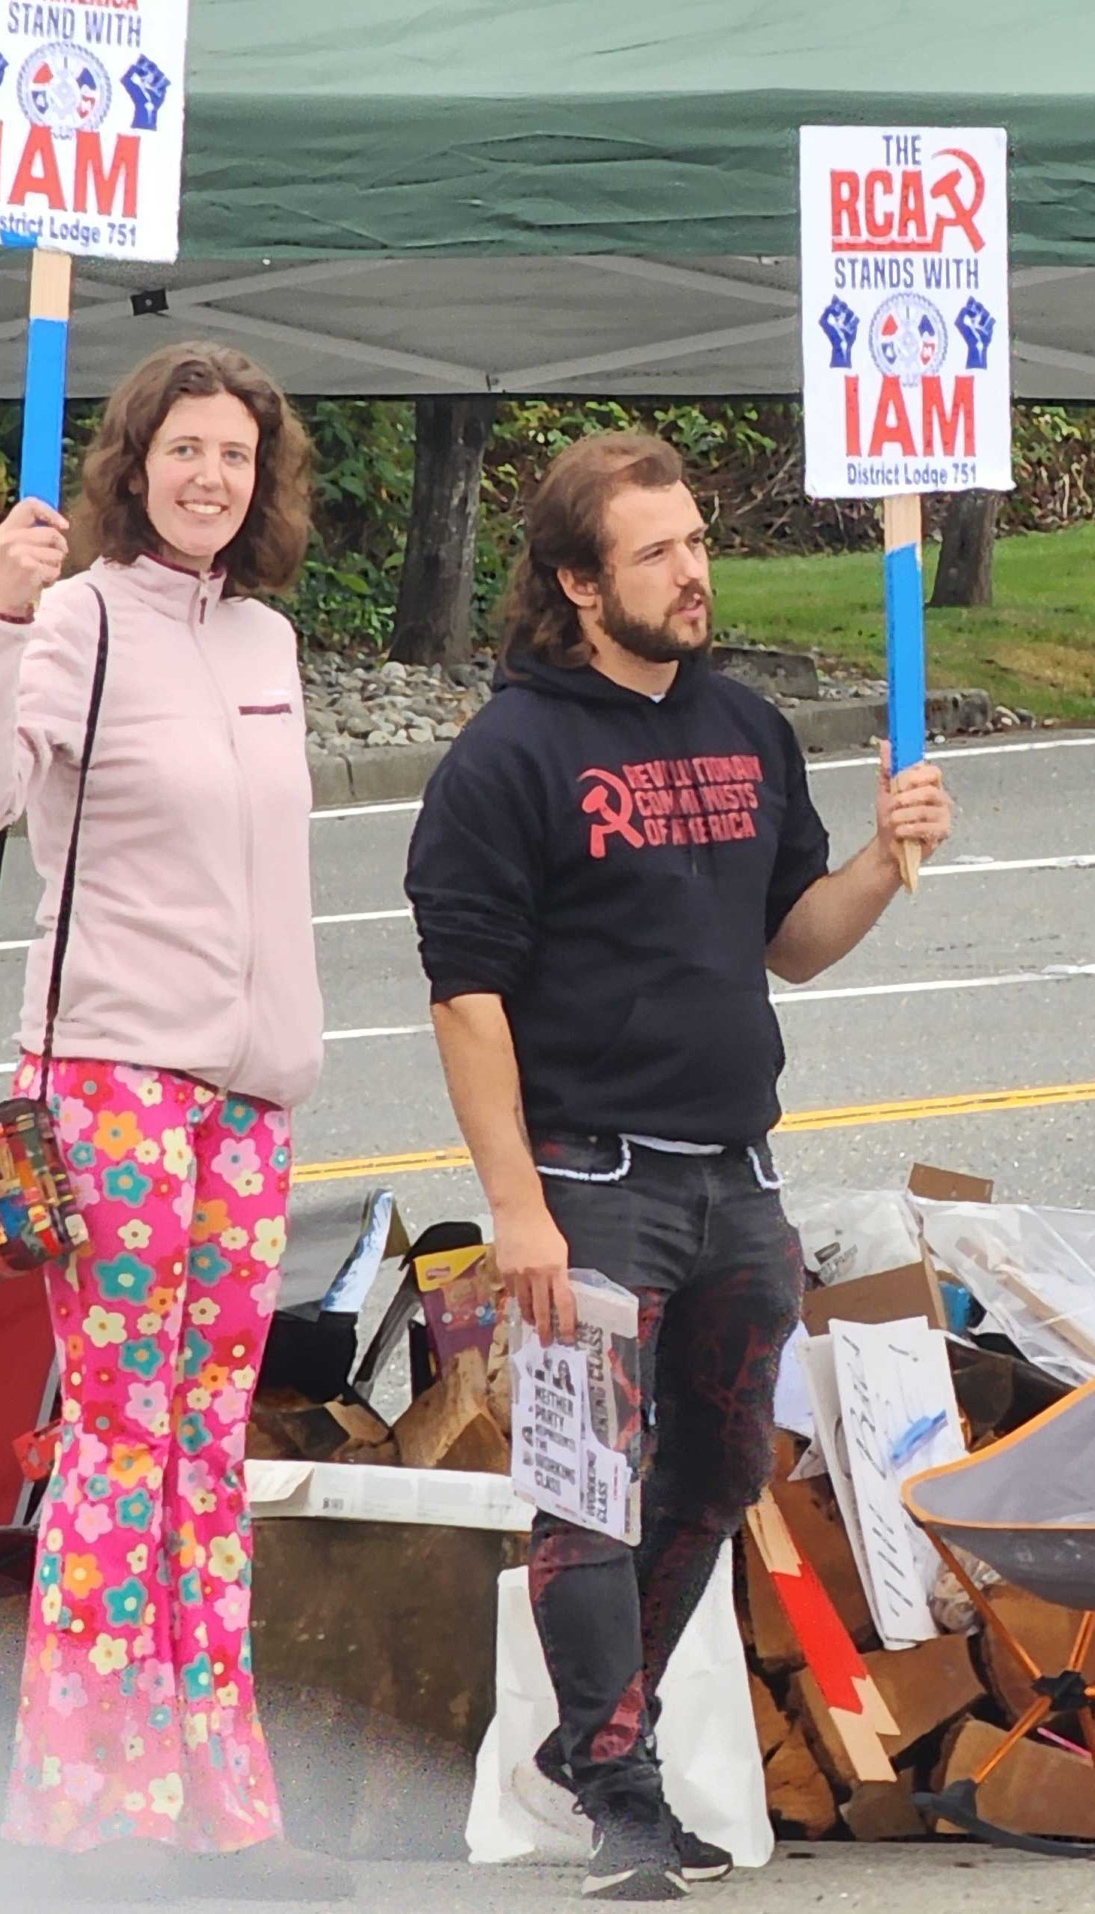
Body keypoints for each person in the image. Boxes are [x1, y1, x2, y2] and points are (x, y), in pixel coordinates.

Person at [405, 432, 951, 1901]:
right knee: (588, 1487)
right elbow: (467, 1000)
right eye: (657, 552)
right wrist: (515, 1201)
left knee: (709, 1471)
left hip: (735, 1175)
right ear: (579, 583)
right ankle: (616, 1787)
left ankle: (605, 1739)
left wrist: (886, 867)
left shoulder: (748, 727)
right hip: (588, 1178)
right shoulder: (507, 757)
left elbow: (796, 941)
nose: (694, 570)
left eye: (699, 541)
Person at [0, 342, 343, 1900]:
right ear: (131, 461)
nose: (211, 476)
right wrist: (0, 614)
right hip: (110, 1077)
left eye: (236, 454)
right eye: (184, 449)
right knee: (120, 1432)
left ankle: (221, 1799)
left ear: (263, 478)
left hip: (250, 1100)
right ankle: (95, 1806)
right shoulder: (79, 614)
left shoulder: (269, 637)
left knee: (206, 1444)